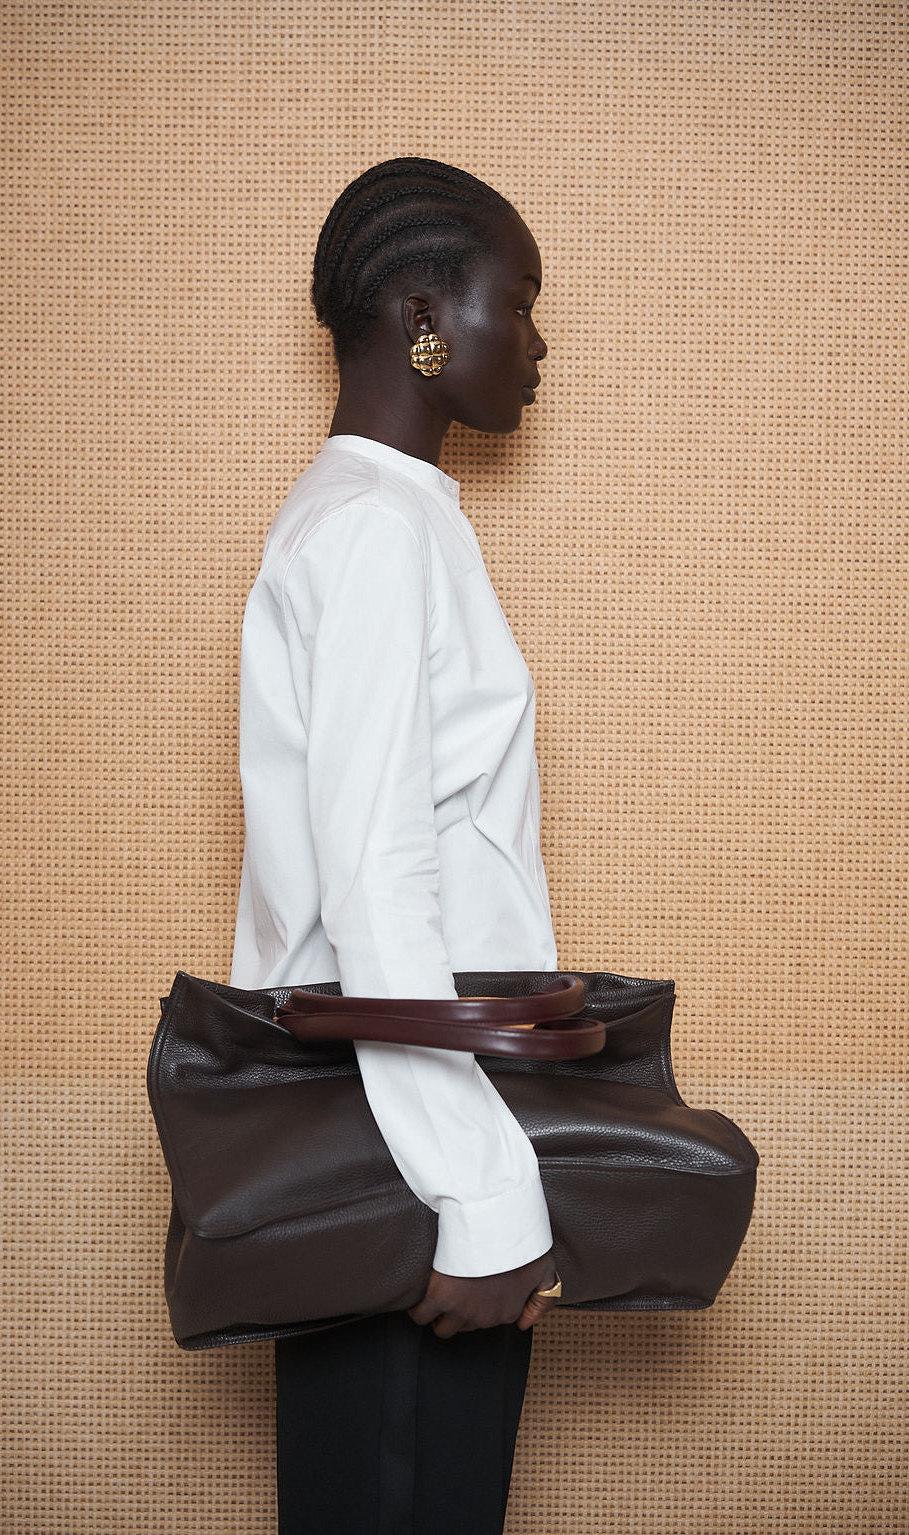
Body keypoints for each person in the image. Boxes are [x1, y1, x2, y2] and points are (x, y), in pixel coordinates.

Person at [230, 157, 561, 1535]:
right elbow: (378, 884)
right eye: (518, 303)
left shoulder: (387, 516)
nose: (538, 345)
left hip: (395, 1132)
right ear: (424, 319)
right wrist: (482, 1196)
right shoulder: (375, 529)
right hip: (411, 1162)